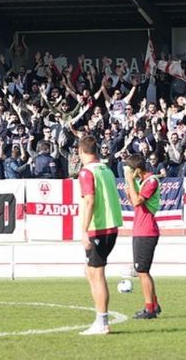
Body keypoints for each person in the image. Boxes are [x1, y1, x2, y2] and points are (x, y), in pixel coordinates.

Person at [77, 135, 123, 335]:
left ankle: (102, 322)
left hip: (98, 227)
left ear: (80, 151)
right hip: (111, 226)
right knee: (90, 271)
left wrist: (84, 230)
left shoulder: (87, 172)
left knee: (97, 275)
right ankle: (101, 319)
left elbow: (89, 201)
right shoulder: (106, 169)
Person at [123, 154, 162, 320]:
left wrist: (130, 182)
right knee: (143, 271)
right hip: (140, 229)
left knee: (142, 270)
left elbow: (138, 201)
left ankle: (149, 309)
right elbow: (135, 203)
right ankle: (154, 304)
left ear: (137, 170)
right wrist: (128, 193)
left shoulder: (151, 181)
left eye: (130, 171)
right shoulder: (142, 182)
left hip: (146, 230)